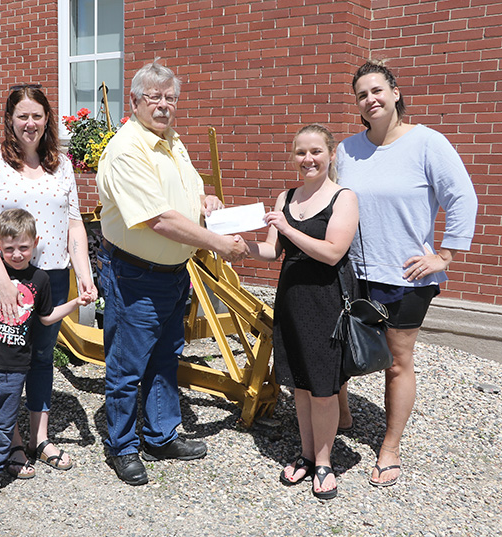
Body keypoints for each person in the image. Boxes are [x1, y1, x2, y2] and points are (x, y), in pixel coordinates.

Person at [95, 60, 249, 486]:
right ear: (135, 102)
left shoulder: (171, 141)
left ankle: (161, 435)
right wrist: (217, 242)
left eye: (170, 98)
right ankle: (123, 447)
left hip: (172, 273)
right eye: (154, 98)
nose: (163, 106)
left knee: (166, 357)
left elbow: (187, 191)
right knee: (127, 366)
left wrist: (208, 199)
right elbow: (158, 220)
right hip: (137, 276)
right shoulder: (128, 149)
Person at [337, 61, 477, 487]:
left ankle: (390, 447)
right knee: (342, 346)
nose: (370, 100)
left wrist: (446, 255)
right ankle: (341, 415)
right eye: (362, 95)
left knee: (397, 363)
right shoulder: (346, 149)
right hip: (352, 269)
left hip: (404, 275)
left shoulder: (427, 144)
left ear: (395, 92)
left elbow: (462, 197)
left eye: (377, 90)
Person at [0, 84, 96, 477]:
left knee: (42, 358)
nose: (30, 123)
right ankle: (11, 439)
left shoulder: (60, 164)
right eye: (22, 116)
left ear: (47, 120)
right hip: (5, 280)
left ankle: (39, 436)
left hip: (52, 278)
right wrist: (3, 282)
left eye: (37, 116)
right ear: (9, 120)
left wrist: (85, 276)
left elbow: (75, 224)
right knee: (8, 361)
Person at [248, 124, 359, 500]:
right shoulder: (287, 196)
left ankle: (326, 461)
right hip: (292, 299)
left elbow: (332, 253)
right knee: (298, 383)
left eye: (315, 152)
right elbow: (270, 252)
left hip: (325, 300)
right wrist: (235, 244)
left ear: (330, 154)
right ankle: (307, 454)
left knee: (323, 388)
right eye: (300, 153)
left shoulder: (343, 197)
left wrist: (287, 229)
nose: (308, 159)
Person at [0, 209, 92, 509]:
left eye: (23, 248)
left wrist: (74, 302)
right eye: (8, 249)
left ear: (36, 243)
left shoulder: (41, 280)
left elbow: (46, 318)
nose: (16, 254)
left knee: (5, 425)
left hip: (16, 367)